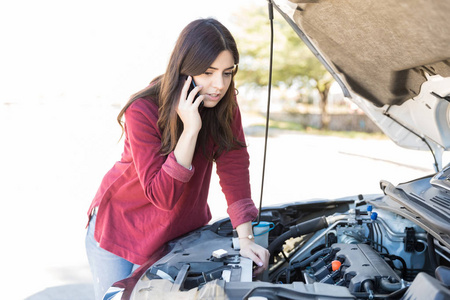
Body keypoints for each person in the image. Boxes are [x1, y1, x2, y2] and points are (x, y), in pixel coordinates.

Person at [85, 18, 269, 299]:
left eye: (227, 72)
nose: (218, 85)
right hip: (121, 228)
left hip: (177, 236)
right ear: (185, 69)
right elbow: (162, 196)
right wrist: (191, 129)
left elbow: (234, 165)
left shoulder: (224, 104)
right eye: (208, 72)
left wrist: (245, 238)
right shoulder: (143, 109)